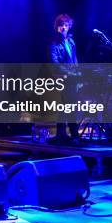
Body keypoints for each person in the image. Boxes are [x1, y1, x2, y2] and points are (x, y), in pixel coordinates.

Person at [48, 14, 80, 142]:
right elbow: (54, 62)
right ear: (57, 27)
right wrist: (70, 73)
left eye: (66, 25)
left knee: (66, 106)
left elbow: (74, 59)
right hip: (62, 78)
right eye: (61, 26)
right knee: (68, 106)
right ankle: (74, 134)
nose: (63, 28)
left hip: (73, 77)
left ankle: (61, 133)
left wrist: (78, 72)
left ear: (69, 27)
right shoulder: (54, 44)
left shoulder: (71, 41)